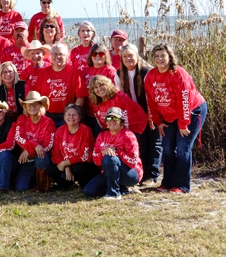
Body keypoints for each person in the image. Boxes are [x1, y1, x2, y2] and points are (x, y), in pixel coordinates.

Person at [145, 43, 207, 194]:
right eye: (156, 56)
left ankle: (181, 185)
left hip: (191, 112)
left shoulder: (178, 74)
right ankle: (167, 182)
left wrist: (183, 123)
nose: (160, 59)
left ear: (169, 57)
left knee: (182, 148)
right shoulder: (151, 76)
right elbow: (151, 102)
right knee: (167, 148)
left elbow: (184, 100)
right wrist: (158, 122)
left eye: (163, 55)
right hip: (169, 116)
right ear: (153, 58)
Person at [116, 43, 162, 185]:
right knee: (140, 143)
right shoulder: (119, 74)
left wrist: (152, 115)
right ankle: (143, 174)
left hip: (152, 111)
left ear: (137, 55)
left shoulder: (147, 71)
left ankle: (153, 175)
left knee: (154, 143)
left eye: (130, 55)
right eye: (125, 56)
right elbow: (121, 97)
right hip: (134, 115)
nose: (128, 59)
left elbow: (155, 95)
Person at [82, 107, 142, 199]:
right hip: (109, 172)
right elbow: (96, 160)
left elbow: (133, 161)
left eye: (116, 118)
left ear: (121, 122)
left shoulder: (128, 135)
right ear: (106, 122)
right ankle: (123, 190)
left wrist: (116, 151)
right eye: (109, 118)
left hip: (131, 173)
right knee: (88, 191)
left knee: (110, 157)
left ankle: (114, 193)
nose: (112, 121)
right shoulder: (102, 135)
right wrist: (103, 153)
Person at [32, 43, 86, 127]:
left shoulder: (74, 72)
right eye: (55, 54)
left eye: (61, 54)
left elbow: (80, 96)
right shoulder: (43, 73)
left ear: (66, 56)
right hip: (47, 115)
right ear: (51, 56)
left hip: (67, 116)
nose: (58, 57)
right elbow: (38, 97)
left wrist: (75, 114)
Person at [12, 91, 55, 191]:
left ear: (41, 106)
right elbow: (18, 138)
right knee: (20, 188)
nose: (32, 107)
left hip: (40, 157)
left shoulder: (49, 122)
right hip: (27, 159)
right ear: (25, 107)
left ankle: (42, 183)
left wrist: (30, 151)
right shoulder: (22, 119)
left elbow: (48, 145)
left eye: (35, 104)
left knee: (41, 157)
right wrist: (34, 146)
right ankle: (33, 179)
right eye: (29, 105)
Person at [48, 104, 98, 189]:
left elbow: (84, 156)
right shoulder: (60, 130)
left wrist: (65, 163)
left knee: (77, 168)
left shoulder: (85, 130)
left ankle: (83, 183)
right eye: (68, 114)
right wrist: (66, 166)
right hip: (67, 164)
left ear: (79, 117)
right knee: (51, 169)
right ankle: (66, 184)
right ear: (64, 117)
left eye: (74, 115)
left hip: (83, 164)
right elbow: (55, 153)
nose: (71, 117)